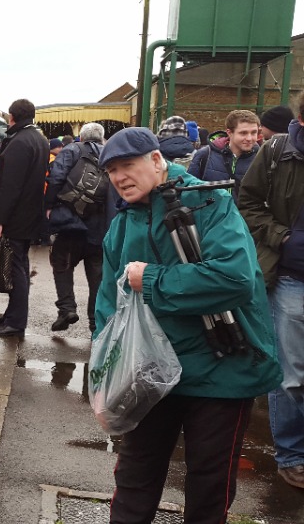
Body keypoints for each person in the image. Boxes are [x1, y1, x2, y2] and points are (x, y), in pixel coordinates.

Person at [94, 127, 281, 522]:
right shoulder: (121, 226)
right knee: (134, 479)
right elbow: (108, 309)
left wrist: (153, 280)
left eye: (128, 165)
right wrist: (104, 382)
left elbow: (235, 279)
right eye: (111, 170)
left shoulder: (208, 202)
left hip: (221, 370)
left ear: (157, 161)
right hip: (147, 374)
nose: (119, 177)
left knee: (208, 487)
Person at [238, 104, 304, 490]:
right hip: (294, 278)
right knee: (291, 375)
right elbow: (247, 204)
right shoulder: (278, 152)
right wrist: (283, 238)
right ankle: (293, 455)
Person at [0, 99, 49, 337]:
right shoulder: (38, 139)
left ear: (12, 117)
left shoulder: (20, 142)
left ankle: (16, 322)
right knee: (18, 267)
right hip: (27, 215)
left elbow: (11, 186)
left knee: (16, 270)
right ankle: (11, 317)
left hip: (16, 219)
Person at [44, 122, 111, 333]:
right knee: (97, 278)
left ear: (81, 137)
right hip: (100, 228)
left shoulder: (73, 150)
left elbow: (56, 177)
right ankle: (95, 323)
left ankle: (67, 309)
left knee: (62, 265)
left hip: (71, 224)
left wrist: (48, 205)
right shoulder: (111, 154)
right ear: (102, 138)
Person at [188, 110, 260, 202]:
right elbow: (189, 191)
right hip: (211, 215)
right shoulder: (205, 155)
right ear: (229, 133)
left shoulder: (261, 158)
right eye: (243, 133)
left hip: (243, 216)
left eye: (254, 132)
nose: (249, 138)